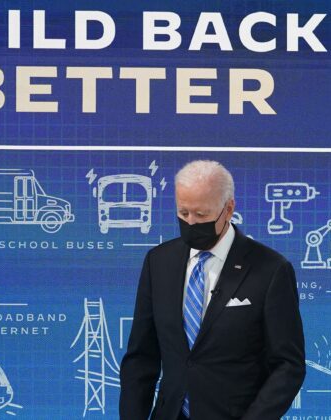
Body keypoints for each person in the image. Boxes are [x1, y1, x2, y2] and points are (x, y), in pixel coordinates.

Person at [119, 160, 305, 420]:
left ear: (228, 209)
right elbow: (141, 357)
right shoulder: (158, 262)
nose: (191, 222)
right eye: (183, 213)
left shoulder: (271, 269)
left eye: (202, 215)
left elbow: (288, 365)